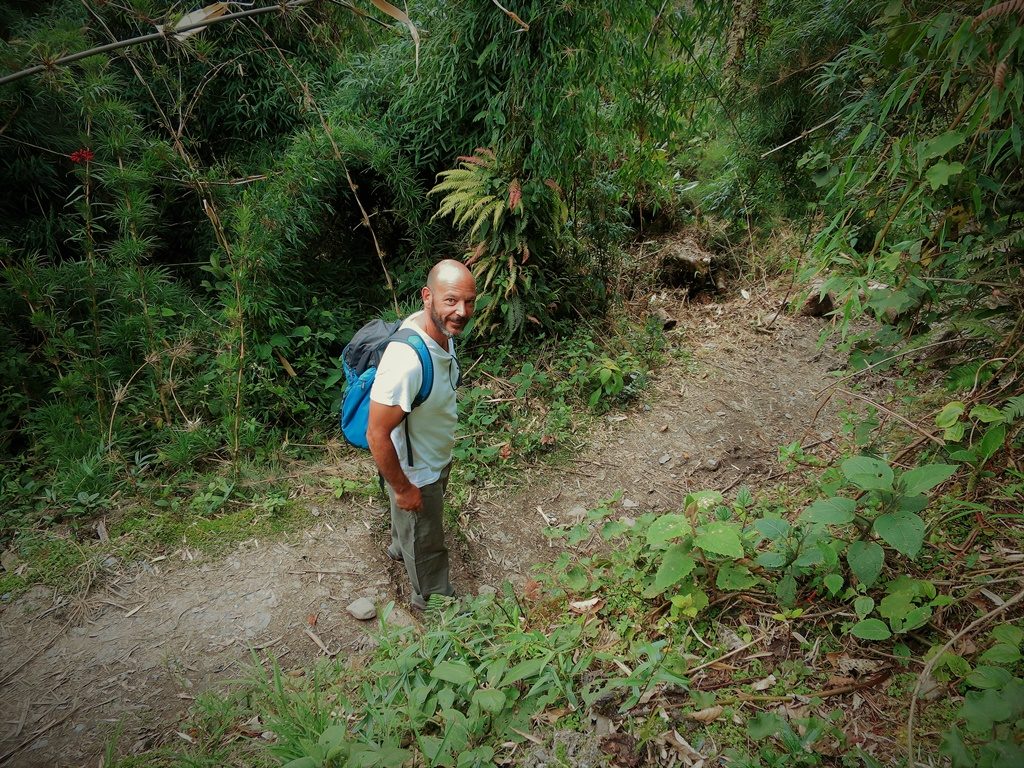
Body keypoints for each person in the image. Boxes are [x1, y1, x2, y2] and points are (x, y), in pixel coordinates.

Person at [366, 259, 477, 610]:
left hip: (433, 454)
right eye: (451, 300)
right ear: (427, 296)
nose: (462, 311)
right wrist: (403, 487)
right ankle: (434, 602)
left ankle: (401, 546)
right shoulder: (407, 361)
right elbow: (376, 433)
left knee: (415, 525)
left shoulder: (441, 331)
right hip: (417, 470)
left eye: (469, 301)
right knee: (428, 541)